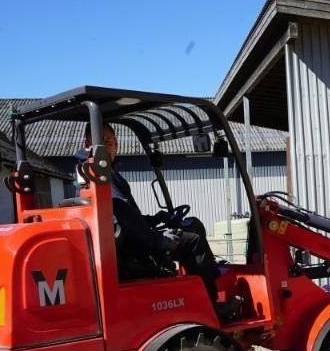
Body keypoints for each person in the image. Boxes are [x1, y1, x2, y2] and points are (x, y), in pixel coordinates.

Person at [78, 123, 227, 311]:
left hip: (130, 239)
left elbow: (126, 215)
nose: (108, 145)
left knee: (193, 225)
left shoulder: (98, 174)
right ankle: (212, 304)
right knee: (193, 241)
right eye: (102, 141)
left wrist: (155, 219)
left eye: (111, 141)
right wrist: (158, 240)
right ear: (88, 144)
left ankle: (197, 288)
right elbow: (120, 211)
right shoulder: (97, 175)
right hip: (135, 250)